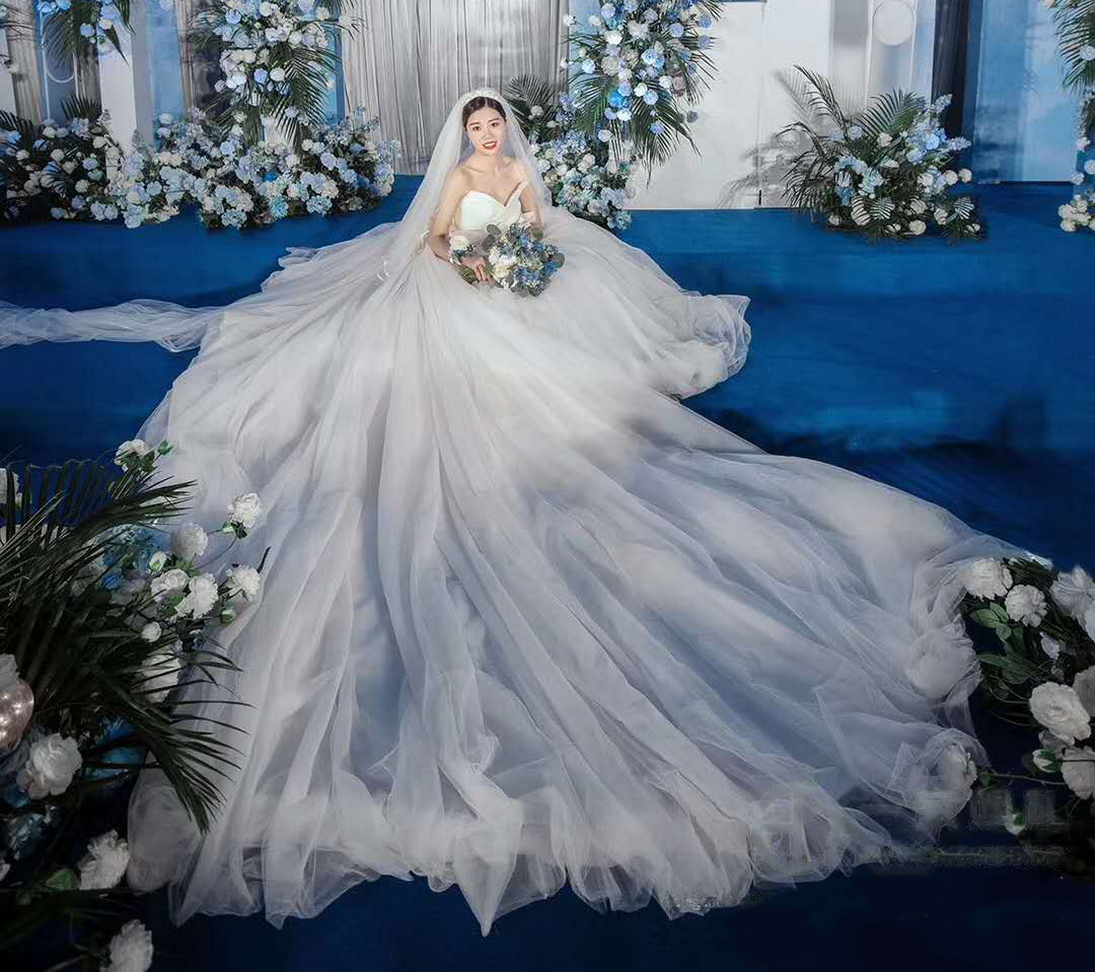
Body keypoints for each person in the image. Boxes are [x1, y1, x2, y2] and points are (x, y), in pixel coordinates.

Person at [0, 88, 1013, 935]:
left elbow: (533, 227)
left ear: (504, 131)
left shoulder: (519, 172)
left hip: (509, 286)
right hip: (456, 291)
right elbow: (440, 242)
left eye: (493, 128)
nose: (486, 138)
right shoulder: (453, 182)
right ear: (464, 132)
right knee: (441, 385)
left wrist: (521, 256)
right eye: (477, 128)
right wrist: (477, 265)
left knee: (552, 378)